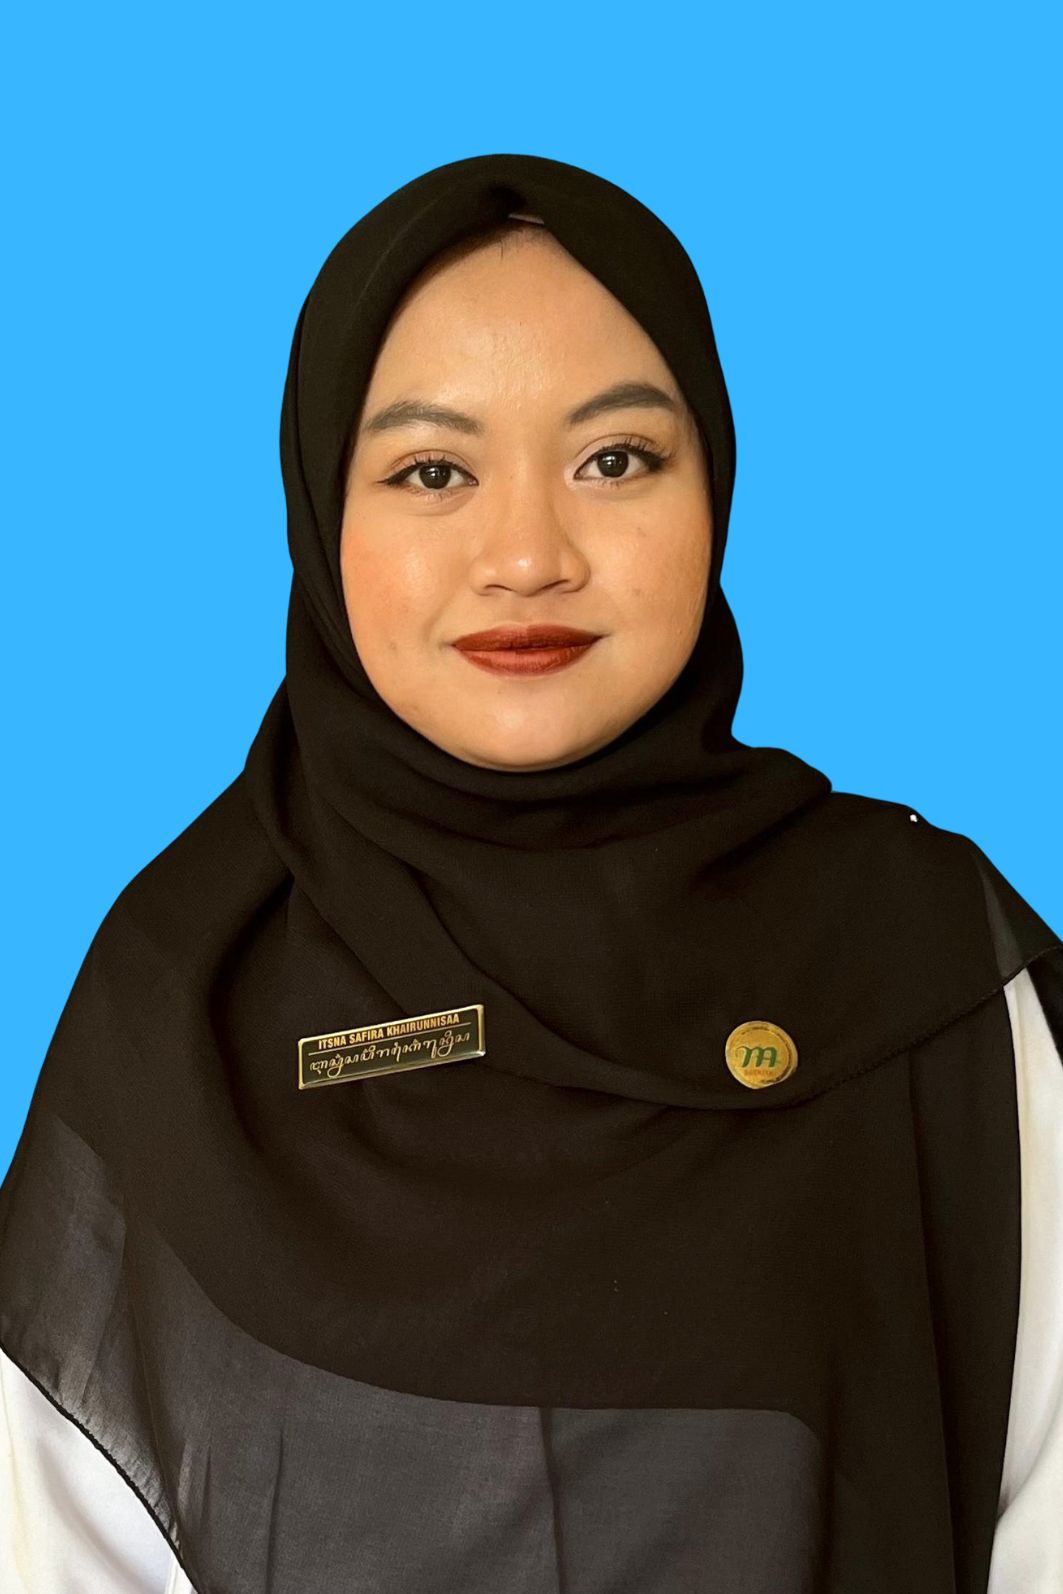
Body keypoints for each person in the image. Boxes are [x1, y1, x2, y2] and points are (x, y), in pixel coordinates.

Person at [1, 152, 1060, 1594]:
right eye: (433, 471)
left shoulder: (924, 965)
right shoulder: (183, 994)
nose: (527, 556)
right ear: (321, 507)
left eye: (614, 460)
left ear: (715, 482)